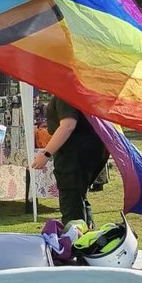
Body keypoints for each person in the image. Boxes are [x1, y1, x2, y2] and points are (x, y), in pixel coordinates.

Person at [30, 94, 109, 227]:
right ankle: (89, 239)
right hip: (91, 151)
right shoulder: (76, 89)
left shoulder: (65, 93)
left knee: (72, 205)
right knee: (79, 198)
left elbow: (68, 125)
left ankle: (76, 244)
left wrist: (45, 154)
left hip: (75, 155)